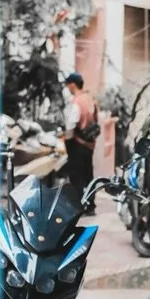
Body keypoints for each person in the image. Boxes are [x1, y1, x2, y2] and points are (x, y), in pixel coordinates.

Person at [62, 72, 99, 208]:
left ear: (72, 85)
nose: (67, 88)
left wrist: (67, 139)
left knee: (76, 176)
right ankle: (90, 204)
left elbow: (72, 122)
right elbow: (95, 121)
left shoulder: (77, 101)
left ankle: (77, 205)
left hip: (77, 142)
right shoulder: (90, 99)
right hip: (90, 143)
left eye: (68, 85)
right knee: (88, 175)